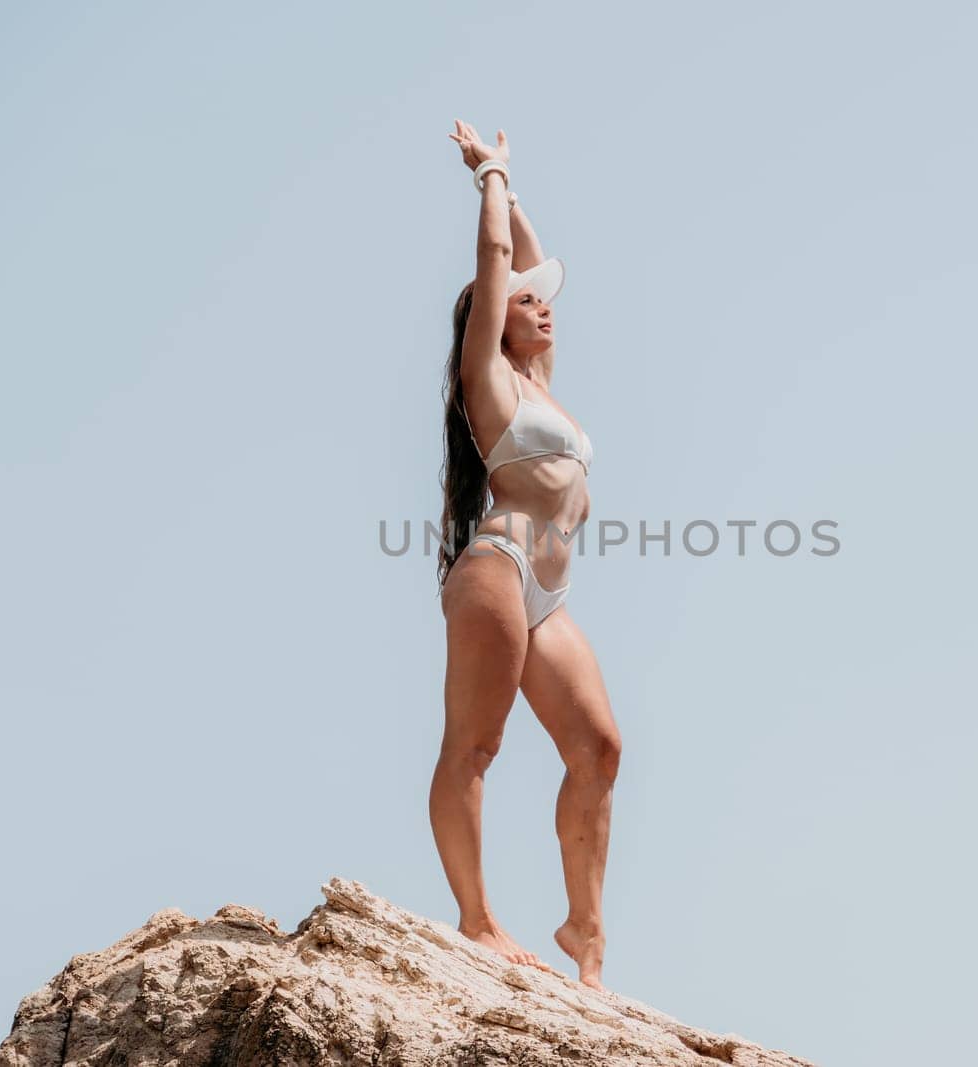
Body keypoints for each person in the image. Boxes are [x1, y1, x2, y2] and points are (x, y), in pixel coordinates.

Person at [428, 119, 622, 992]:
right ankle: (477, 918)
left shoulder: (541, 383)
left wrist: (515, 184)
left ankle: (584, 925)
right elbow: (500, 252)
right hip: (499, 571)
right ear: (490, 323)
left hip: (551, 592)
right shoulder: (492, 381)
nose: (542, 305)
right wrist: (491, 175)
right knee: (475, 746)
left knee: (600, 749)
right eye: (524, 301)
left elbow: (528, 260)